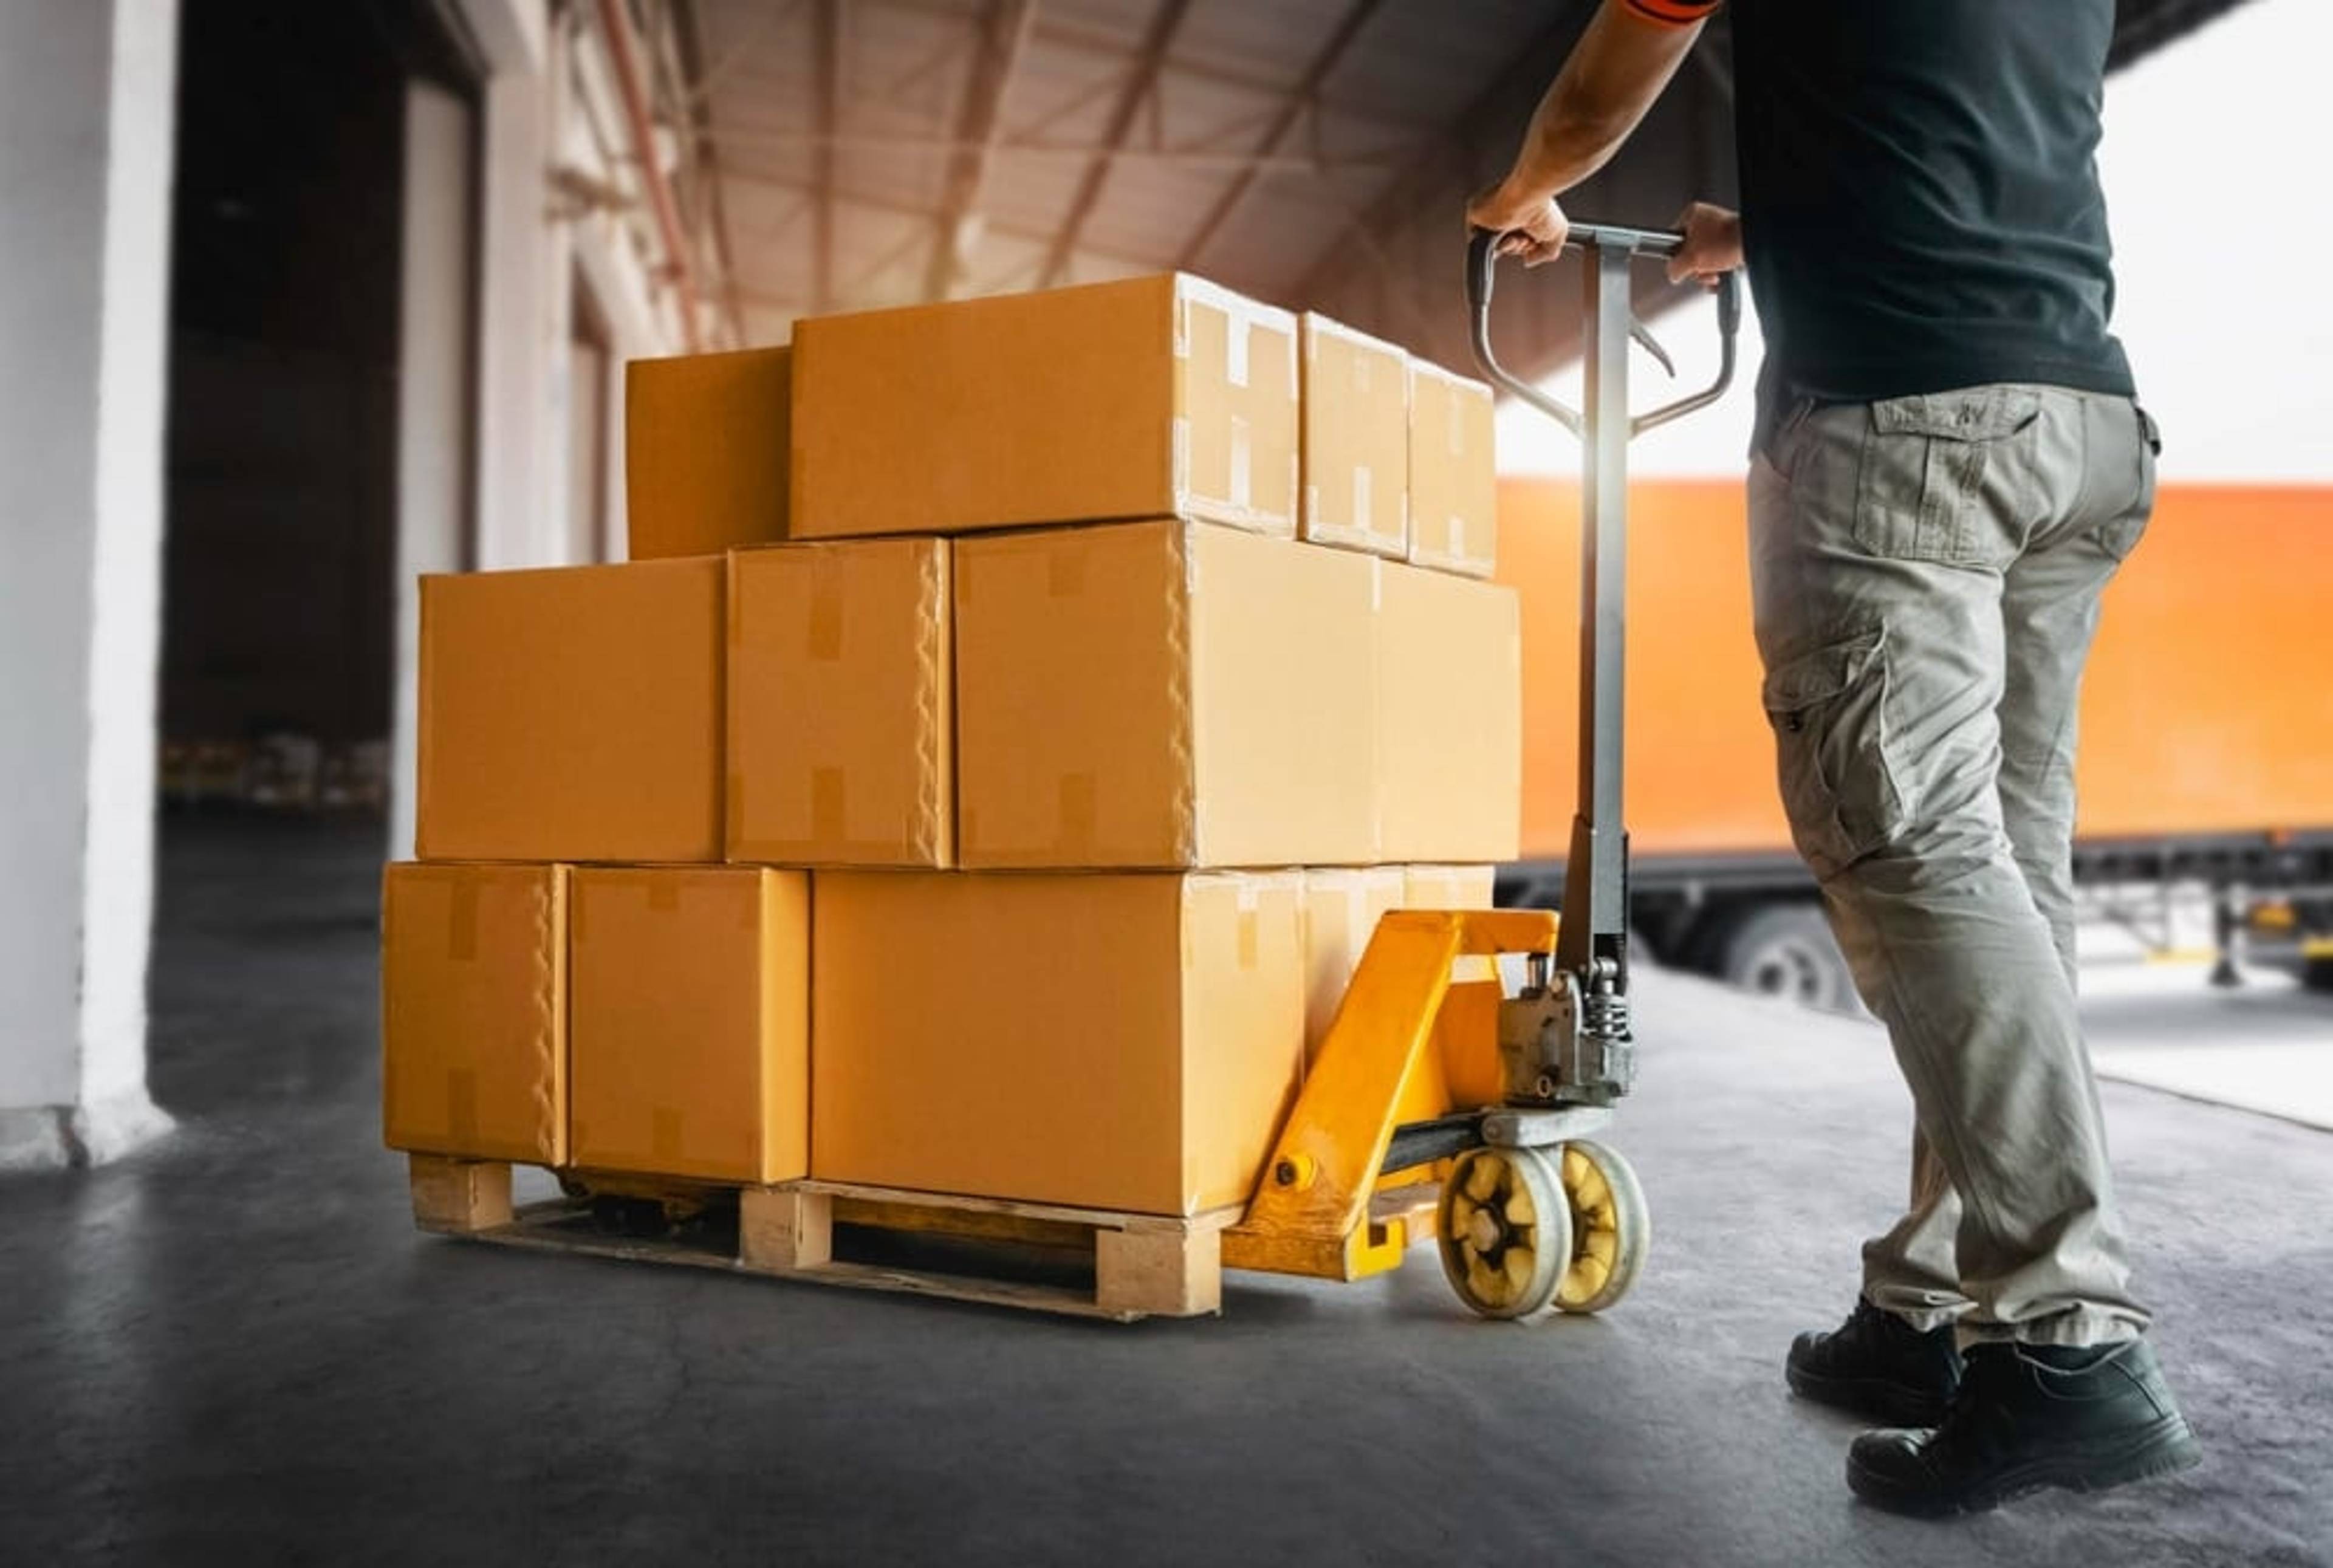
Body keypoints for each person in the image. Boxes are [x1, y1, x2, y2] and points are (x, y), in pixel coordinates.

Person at [1466, 0, 2202, 1517]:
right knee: (1999, 869)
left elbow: (1612, 76)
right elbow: (1964, 114)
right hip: (2074, 414)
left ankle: (2064, 1335)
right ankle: (1933, 1304)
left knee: (1917, 857)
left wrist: (1522, 190)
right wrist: (1783, 226)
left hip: (1904, 424)